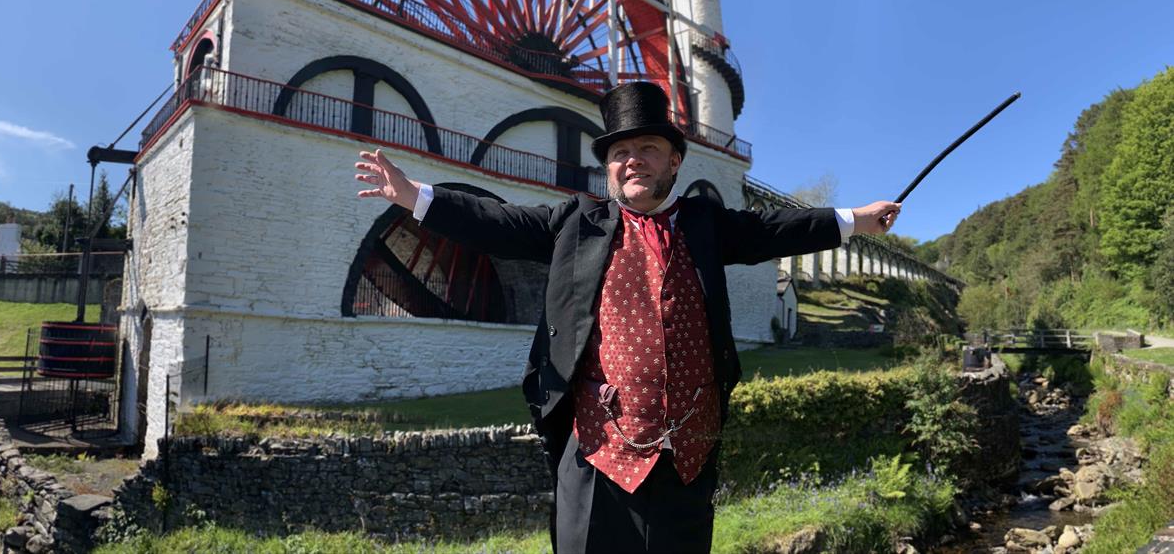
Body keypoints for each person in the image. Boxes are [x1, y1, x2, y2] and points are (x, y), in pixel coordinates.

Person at [355, 82, 900, 553]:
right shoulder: (576, 221)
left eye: (647, 147)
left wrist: (855, 220)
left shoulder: (706, 223)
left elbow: (776, 230)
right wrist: (415, 197)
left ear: (674, 161)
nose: (632, 159)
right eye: (620, 153)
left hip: (687, 458)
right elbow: (498, 221)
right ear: (609, 167)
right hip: (599, 457)